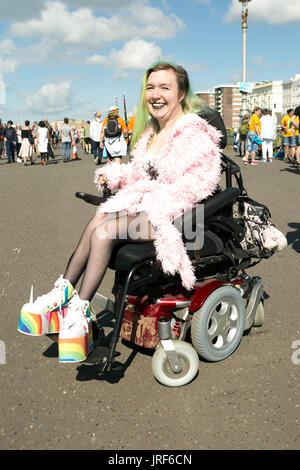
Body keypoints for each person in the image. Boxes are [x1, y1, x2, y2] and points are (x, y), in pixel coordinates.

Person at [18, 61, 222, 364]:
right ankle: (62, 295)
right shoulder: (152, 132)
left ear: (180, 94)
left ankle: (80, 311)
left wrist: (156, 199)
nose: (155, 94)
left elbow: (200, 183)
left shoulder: (193, 133)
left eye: (164, 87)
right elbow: (141, 174)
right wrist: (114, 176)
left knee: (104, 230)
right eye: (150, 87)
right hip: (147, 205)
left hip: (174, 215)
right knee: (97, 219)